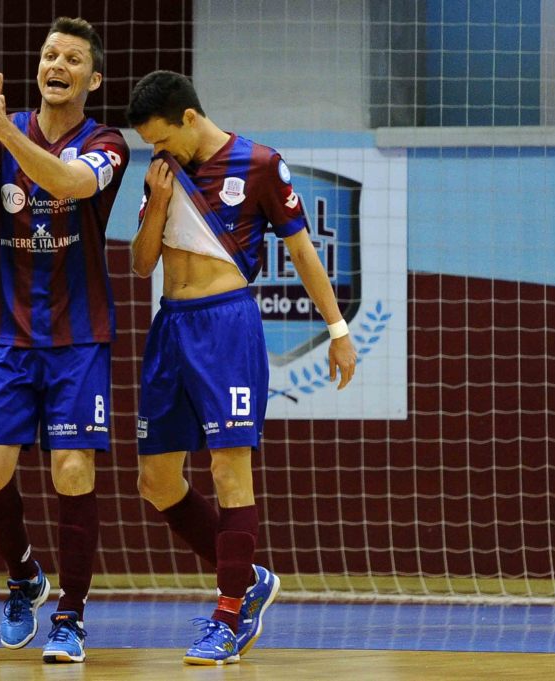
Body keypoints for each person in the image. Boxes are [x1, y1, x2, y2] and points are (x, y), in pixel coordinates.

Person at [125, 70, 357, 666]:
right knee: (156, 482)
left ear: (189, 118)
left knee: (230, 471)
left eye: (161, 138)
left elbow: (302, 250)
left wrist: (338, 330)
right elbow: (141, 263)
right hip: (170, 327)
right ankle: (248, 578)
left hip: (226, 327)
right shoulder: (162, 171)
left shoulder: (258, 164)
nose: (156, 150)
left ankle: (228, 616)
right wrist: (157, 203)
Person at [0, 17, 128, 664]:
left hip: (78, 337)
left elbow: (69, 183)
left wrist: (3, 133)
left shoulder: (106, 142)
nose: (57, 65)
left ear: (92, 79)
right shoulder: (4, 132)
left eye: (73, 59)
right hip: (4, 334)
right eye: (50, 55)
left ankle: (70, 616)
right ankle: (24, 575)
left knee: (72, 469)